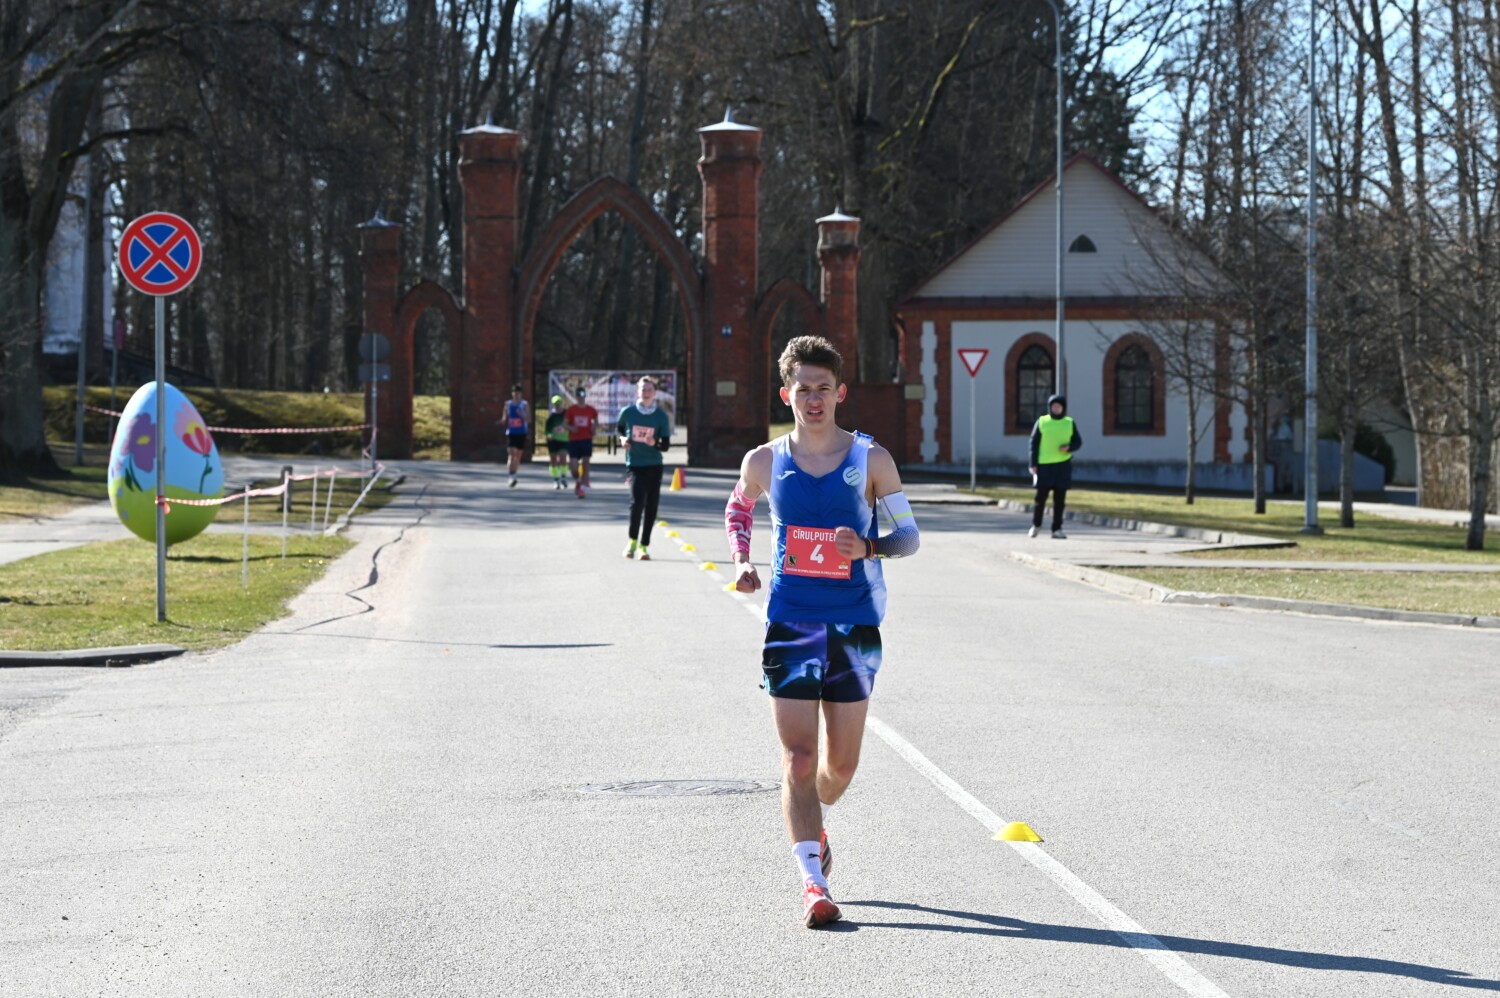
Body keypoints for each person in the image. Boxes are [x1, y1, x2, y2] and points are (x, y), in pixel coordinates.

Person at [724, 335, 921, 929]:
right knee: (800, 759)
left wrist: (868, 545)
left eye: (823, 390)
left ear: (840, 393)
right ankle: (813, 880)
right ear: (787, 395)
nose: (813, 400)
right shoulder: (763, 460)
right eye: (802, 390)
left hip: (856, 624)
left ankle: (816, 825)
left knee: (841, 767)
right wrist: (742, 560)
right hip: (790, 621)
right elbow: (738, 510)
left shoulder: (871, 461)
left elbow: (909, 538)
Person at [617, 377, 672, 560]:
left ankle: (644, 545)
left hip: (654, 465)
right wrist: (622, 440)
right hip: (635, 465)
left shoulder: (660, 416)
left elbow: (665, 446)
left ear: (654, 393)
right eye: (642, 389)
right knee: (637, 502)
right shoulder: (628, 412)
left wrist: (653, 442)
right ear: (637, 391)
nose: (646, 392)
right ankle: (632, 541)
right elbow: (619, 429)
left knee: (651, 506)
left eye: (649, 389)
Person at [1028, 393, 1082, 538]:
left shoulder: (1069, 422)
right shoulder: (1042, 421)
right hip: (1044, 466)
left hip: (1062, 466)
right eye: (1054, 406)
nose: (1056, 408)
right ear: (1050, 407)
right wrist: (1033, 463)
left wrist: (1069, 447)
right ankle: (1036, 525)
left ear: (1063, 408)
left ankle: (1057, 529)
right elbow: (1033, 443)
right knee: (1040, 499)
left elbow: (1078, 442)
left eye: (1059, 406)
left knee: (1060, 501)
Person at [564, 386, 599, 498]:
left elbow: (595, 421)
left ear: (585, 396)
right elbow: (565, 424)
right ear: (576, 397)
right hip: (574, 440)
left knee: (586, 462)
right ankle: (578, 479)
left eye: (583, 395)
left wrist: (594, 427)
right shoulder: (571, 410)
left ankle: (582, 488)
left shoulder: (591, 410)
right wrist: (571, 428)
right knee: (573, 466)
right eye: (579, 396)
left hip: (586, 438)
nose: (581, 398)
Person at [504, 385, 530, 488]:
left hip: (521, 432)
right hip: (511, 432)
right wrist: (501, 421)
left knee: (518, 456)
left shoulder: (524, 404)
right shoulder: (507, 404)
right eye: (514, 393)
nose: (516, 395)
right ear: (512, 393)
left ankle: (514, 473)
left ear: (521, 394)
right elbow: (504, 417)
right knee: (512, 454)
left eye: (518, 393)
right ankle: (511, 476)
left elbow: (528, 419)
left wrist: (523, 414)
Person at [544, 395, 570, 490]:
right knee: (553, 460)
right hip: (553, 441)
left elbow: (570, 424)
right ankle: (556, 479)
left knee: (563, 458)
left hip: (564, 440)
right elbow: (547, 430)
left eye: (559, 403)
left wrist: (566, 429)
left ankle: (563, 476)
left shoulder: (566, 414)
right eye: (555, 404)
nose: (557, 406)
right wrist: (550, 434)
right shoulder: (552, 417)